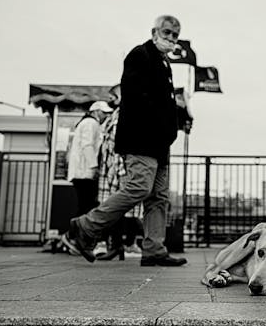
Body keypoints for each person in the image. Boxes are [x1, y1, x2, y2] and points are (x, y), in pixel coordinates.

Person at [63, 15, 187, 266]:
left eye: (175, 35)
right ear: (154, 31)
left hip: (160, 143)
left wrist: (169, 129)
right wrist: (160, 124)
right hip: (142, 139)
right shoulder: (140, 55)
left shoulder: (164, 63)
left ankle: (154, 249)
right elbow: (135, 96)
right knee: (139, 187)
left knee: (159, 197)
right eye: (167, 32)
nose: (171, 38)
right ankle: (85, 226)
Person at [95, 84, 144, 261]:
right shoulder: (117, 115)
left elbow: (117, 143)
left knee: (119, 207)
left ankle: (120, 245)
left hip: (118, 168)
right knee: (119, 208)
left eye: (115, 96)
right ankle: (118, 245)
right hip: (114, 168)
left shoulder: (123, 114)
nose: (112, 99)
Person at [67, 101, 113, 216]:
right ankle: (78, 232)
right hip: (85, 173)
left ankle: (78, 232)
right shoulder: (91, 123)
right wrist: (94, 167)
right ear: (96, 111)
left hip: (81, 172)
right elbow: (87, 146)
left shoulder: (86, 122)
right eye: (104, 112)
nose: (107, 116)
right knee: (87, 207)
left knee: (85, 206)